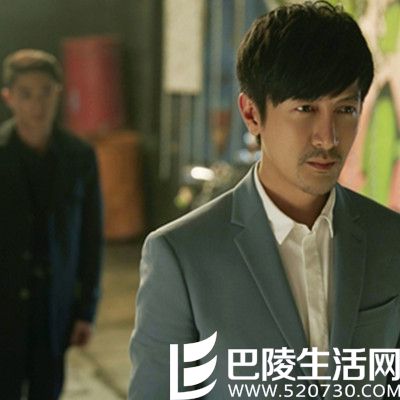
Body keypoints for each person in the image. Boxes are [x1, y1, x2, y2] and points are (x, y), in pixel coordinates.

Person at [129, 2, 400, 399]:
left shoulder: (390, 239)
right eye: (305, 108)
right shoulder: (182, 257)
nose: (328, 137)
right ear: (252, 114)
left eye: (345, 109)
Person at [0, 49, 103, 399]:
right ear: (9, 98)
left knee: (47, 390)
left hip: (54, 307)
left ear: (58, 93)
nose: (37, 104)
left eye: (45, 92)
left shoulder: (79, 156)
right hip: (4, 305)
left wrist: (86, 310)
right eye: (26, 94)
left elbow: (90, 238)